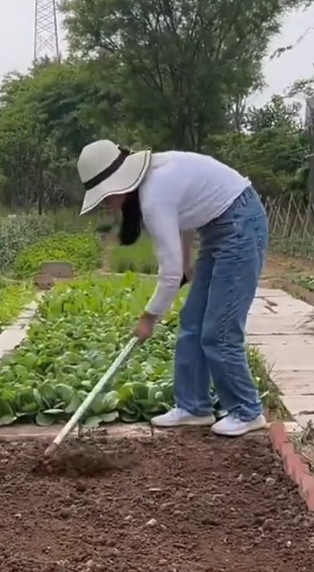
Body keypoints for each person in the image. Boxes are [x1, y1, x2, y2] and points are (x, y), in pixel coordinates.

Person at [77, 139, 268, 438]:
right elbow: (189, 213)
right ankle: (194, 407)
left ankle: (247, 411)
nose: (106, 204)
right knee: (192, 322)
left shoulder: (154, 196)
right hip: (219, 228)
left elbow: (169, 275)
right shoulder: (155, 179)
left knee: (219, 330)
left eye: (106, 197)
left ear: (119, 185)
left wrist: (148, 318)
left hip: (240, 226)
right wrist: (188, 260)